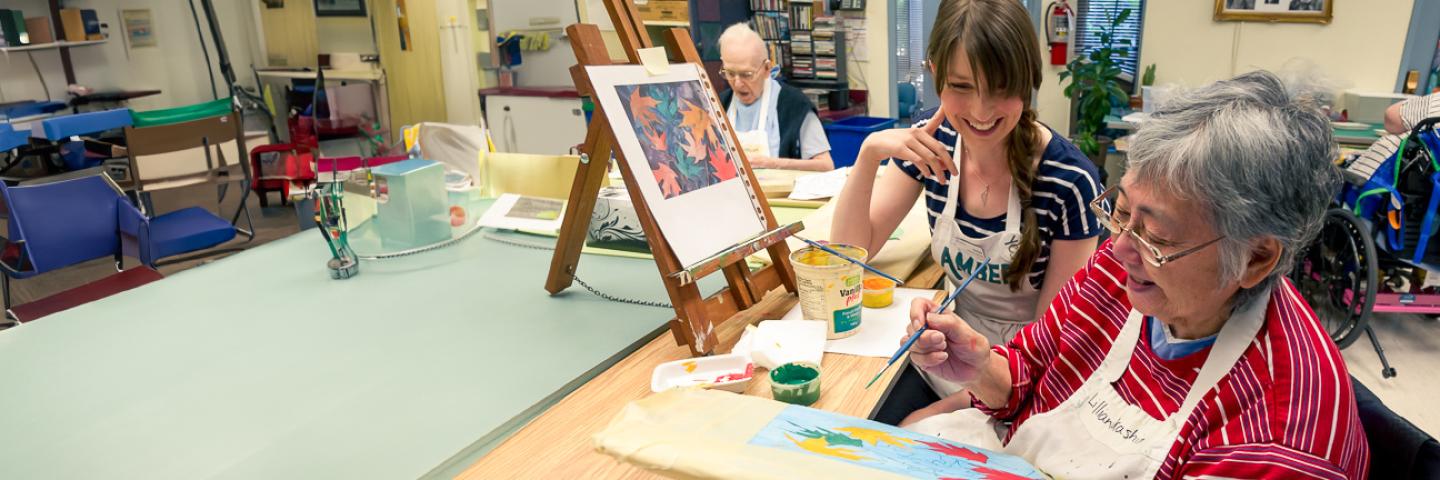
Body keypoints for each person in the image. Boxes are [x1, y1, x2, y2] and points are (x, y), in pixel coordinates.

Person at [902, 71, 1370, 479]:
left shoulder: (1279, 436)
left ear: (1256, 260)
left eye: (1158, 237)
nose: (1120, 247)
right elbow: (1029, 374)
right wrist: (982, 370)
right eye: (1120, 211)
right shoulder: (1121, 272)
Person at [831, 0, 1102, 416]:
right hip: (950, 351)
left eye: (1000, 88)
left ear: (1028, 79)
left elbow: (1053, 348)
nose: (980, 111)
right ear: (935, 72)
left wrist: (933, 412)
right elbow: (849, 255)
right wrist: (869, 155)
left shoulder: (1067, 181)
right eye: (961, 86)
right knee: (854, 420)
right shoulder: (930, 145)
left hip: (1025, 378)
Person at [717, 24, 834, 171]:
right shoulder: (718, 105)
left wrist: (774, 164)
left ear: (767, 68)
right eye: (730, 73)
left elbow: (826, 166)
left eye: (747, 74)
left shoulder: (795, 105)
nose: (738, 83)